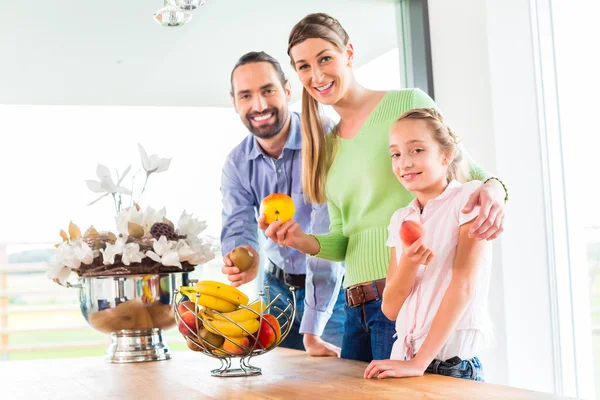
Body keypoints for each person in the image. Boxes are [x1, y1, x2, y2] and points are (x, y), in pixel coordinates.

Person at [258, 13, 507, 362]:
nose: (316, 75)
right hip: (354, 308)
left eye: (325, 58)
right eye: (303, 66)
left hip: (404, 295)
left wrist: (495, 191)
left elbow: (472, 171)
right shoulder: (326, 146)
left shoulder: (406, 102)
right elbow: (347, 239)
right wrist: (300, 241)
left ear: (348, 52)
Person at [220, 51, 346, 357]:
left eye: (268, 91)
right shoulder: (237, 163)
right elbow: (238, 223)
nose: (259, 105)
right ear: (235, 101)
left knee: (340, 384)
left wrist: (313, 327)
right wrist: (243, 254)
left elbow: (326, 236)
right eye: (246, 95)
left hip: (336, 292)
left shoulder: (327, 139)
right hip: (275, 290)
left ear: (287, 90)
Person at [364, 108, 492, 381]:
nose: (404, 163)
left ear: (446, 155)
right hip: (405, 364)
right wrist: (409, 264)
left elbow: (464, 285)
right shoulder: (400, 219)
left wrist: (419, 362)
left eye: (417, 150)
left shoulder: (468, 199)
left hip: (451, 368)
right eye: (396, 154)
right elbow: (390, 308)